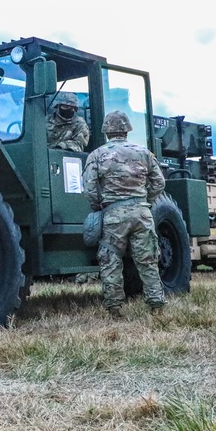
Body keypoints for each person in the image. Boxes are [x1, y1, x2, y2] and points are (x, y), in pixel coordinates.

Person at [82, 110, 166, 318]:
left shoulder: (97, 155)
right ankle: (156, 306)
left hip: (113, 214)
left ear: (106, 130)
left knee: (110, 260)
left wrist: (98, 206)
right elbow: (159, 183)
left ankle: (115, 309)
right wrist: (145, 201)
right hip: (142, 213)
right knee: (147, 260)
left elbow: (89, 188)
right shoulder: (143, 153)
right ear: (127, 129)